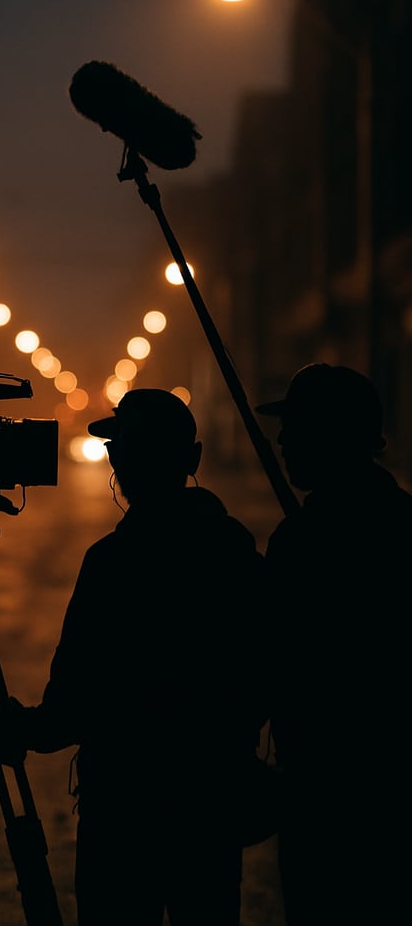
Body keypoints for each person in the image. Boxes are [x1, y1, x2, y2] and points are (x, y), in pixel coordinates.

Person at [0, 387, 274, 925]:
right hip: (211, 806)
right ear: (194, 460)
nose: (118, 462)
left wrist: (20, 730)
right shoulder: (238, 553)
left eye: (123, 450)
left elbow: (73, 702)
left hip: (121, 812)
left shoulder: (113, 563)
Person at [256, 362, 412, 925]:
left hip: (324, 787)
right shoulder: (402, 520)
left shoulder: (302, 539)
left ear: (329, 437)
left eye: (294, 428)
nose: (281, 441)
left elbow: (268, 658)